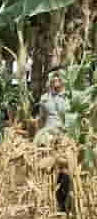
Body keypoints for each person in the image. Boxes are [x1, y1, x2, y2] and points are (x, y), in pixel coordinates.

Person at [38, 74, 71, 212]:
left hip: (65, 137)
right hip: (48, 137)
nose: (56, 81)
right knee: (49, 170)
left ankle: (65, 203)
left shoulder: (71, 96)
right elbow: (41, 118)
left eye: (59, 79)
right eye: (53, 79)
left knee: (65, 168)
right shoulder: (45, 98)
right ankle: (49, 203)